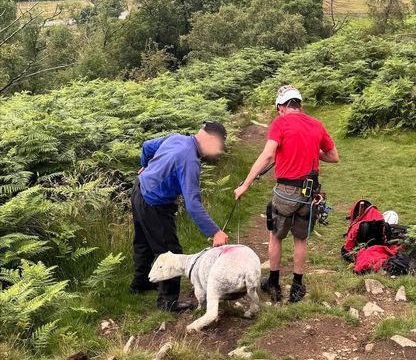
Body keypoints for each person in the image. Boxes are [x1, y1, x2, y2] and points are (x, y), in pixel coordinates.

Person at [234, 85, 340, 303]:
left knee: (276, 236)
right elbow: (333, 156)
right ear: (299, 105)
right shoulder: (316, 124)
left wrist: (245, 184)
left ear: (281, 106)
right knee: (300, 238)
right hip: (310, 192)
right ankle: (297, 287)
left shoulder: (280, 123)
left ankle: (273, 283)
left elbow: (268, 155)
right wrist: (310, 151)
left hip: (285, 192)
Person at [130, 122, 229, 312]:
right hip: (154, 203)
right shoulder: (190, 160)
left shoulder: (177, 138)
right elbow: (193, 203)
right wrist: (215, 232)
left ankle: (140, 283)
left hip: (139, 190)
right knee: (170, 251)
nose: (217, 152)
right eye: (217, 146)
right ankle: (168, 302)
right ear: (209, 138)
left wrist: (145, 166)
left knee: (142, 242)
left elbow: (146, 147)